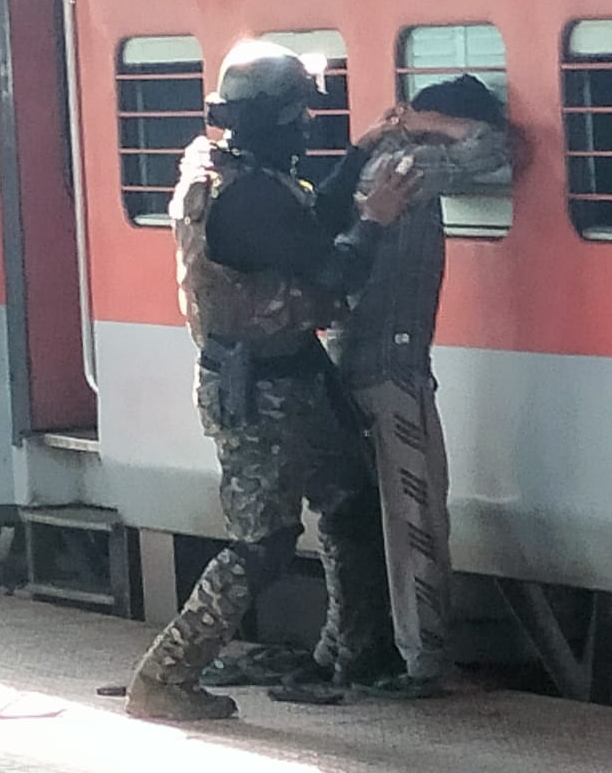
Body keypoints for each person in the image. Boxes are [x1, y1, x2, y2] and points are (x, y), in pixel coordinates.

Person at [125, 40, 415, 721]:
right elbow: (329, 267)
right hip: (260, 393)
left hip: (289, 378)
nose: (308, 126)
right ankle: (165, 676)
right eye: (300, 115)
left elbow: (308, 221)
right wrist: (376, 219)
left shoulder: (236, 175)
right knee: (264, 542)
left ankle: (353, 651)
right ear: (276, 122)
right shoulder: (247, 197)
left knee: (349, 500)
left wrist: (357, 158)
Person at [325, 75, 512, 699]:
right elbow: (491, 147)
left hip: (348, 360)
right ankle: (425, 658)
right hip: (391, 367)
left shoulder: (371, 160)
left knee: (352, 521)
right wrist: (425, 122)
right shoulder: (408, 164)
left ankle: (341, 643)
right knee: (415, 514)